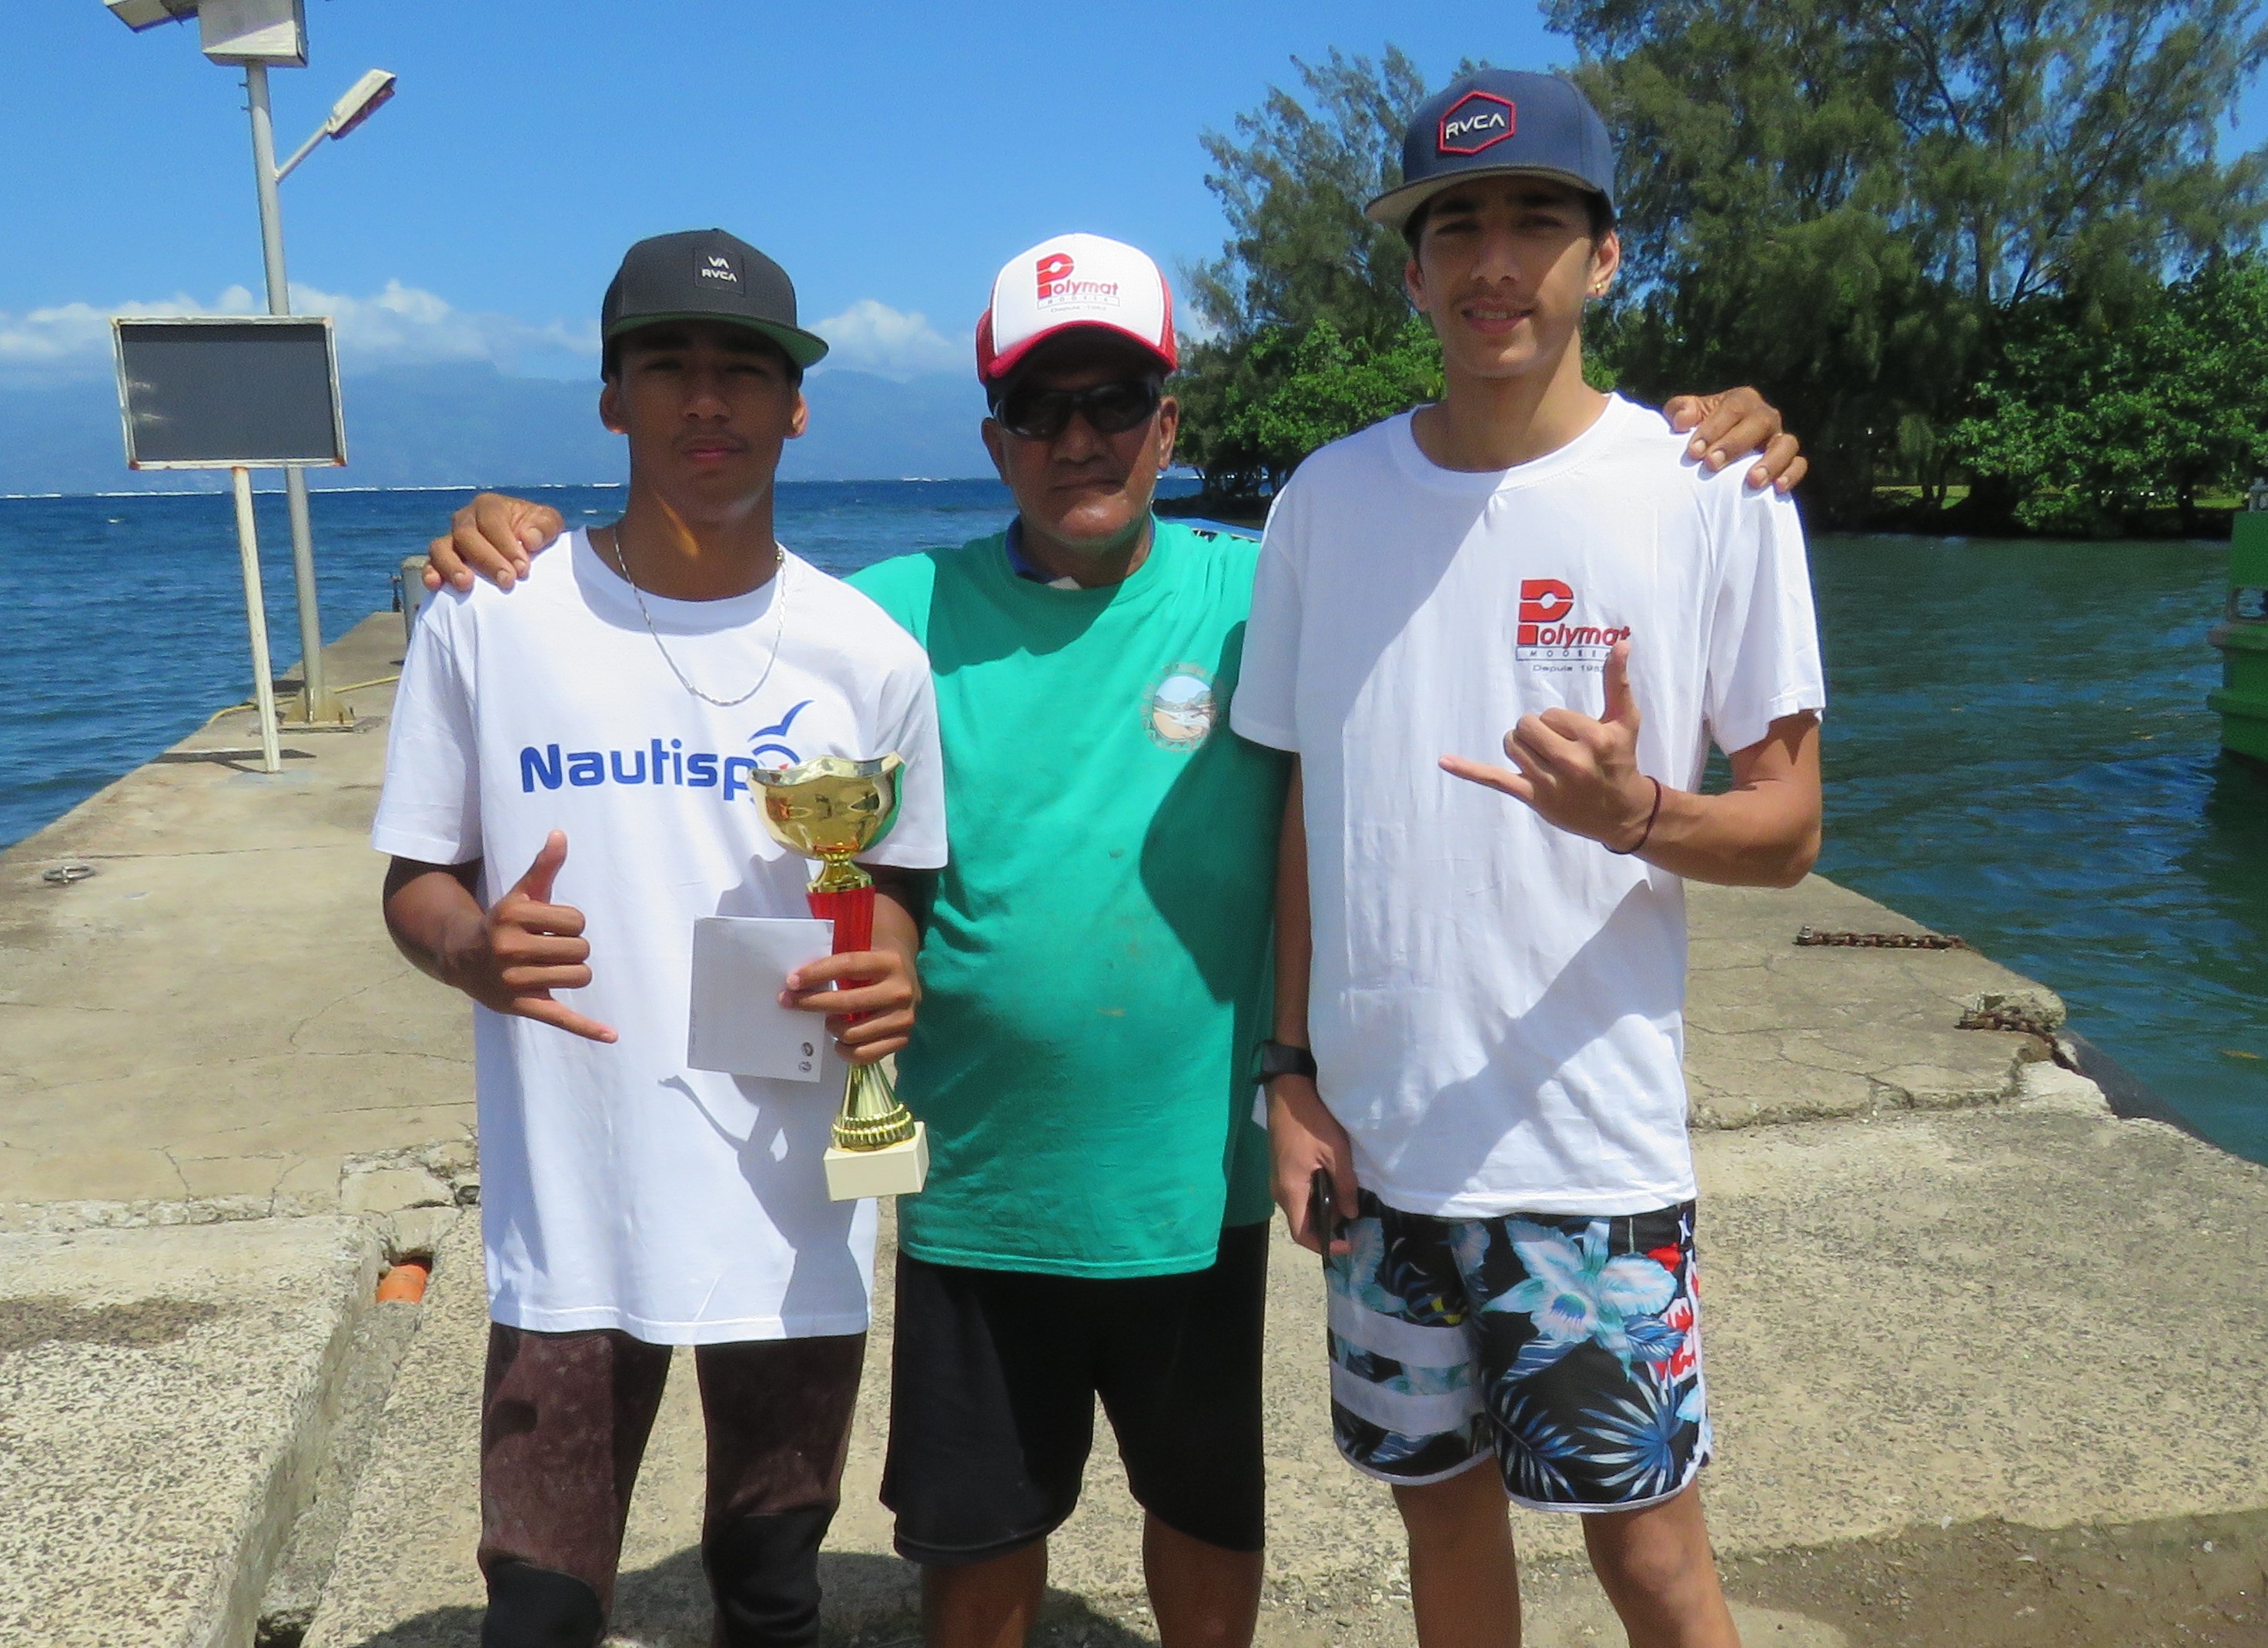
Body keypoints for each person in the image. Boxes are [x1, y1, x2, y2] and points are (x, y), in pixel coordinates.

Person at [423, 236, 1805, 1648]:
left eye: (1113, 403)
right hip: (974, 1193)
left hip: (1190, 1188)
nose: (1076, 438)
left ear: (1169, 425)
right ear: (991, 437)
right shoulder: (889, 616)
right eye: (1038, 410)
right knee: (977, 1562)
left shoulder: (1271, 583)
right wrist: (515, 538)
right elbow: (715, 595)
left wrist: (1686, 436)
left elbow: (1472, 519)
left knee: (1206, 1528)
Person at [1235, 70, 1827, 1648]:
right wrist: (1289, 1074)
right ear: (1413, 267)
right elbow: (1307, 804)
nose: (1496, 259)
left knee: (1650, 1560)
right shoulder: (1324, 502)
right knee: (1443, 1536)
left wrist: (1639, 817)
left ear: (1607, 256)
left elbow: (1789, 827)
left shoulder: (1710, 492)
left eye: (1536, 220)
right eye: (1458, 225)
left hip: (1591, 1146)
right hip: (1381, 1143)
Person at [373, 228, 947, 1648]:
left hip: (787, 1206)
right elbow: (414, 881)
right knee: (542, 1604)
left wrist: (892, 970)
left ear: (796, 405)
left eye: (743, 370)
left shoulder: (866, 652)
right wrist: (470, 949)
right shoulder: (491, 619)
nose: (709, 401)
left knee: (773, 1588)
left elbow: (895, 889)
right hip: (576, 1199)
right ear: (611, 395)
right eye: (669, 367)